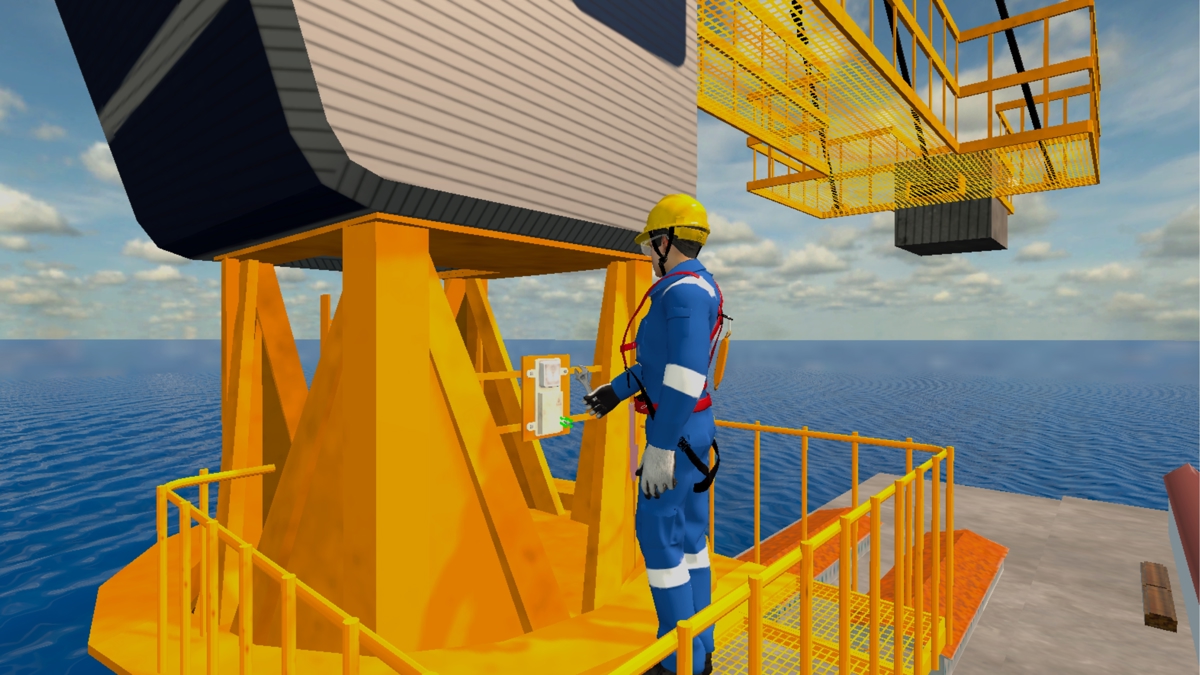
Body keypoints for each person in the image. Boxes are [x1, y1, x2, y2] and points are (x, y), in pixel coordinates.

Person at [583, 194, 728, 675]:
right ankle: (701, 644)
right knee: (689, 534)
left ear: (665, 242)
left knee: (656, 531)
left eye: (650, 245)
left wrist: (662, 446)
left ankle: (675, 659)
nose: (647, 254)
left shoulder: (681, 293)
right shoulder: (697, 288)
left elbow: (685, 375)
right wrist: (616, 391)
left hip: (676, 430)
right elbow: (656, 365)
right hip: (692, 428)